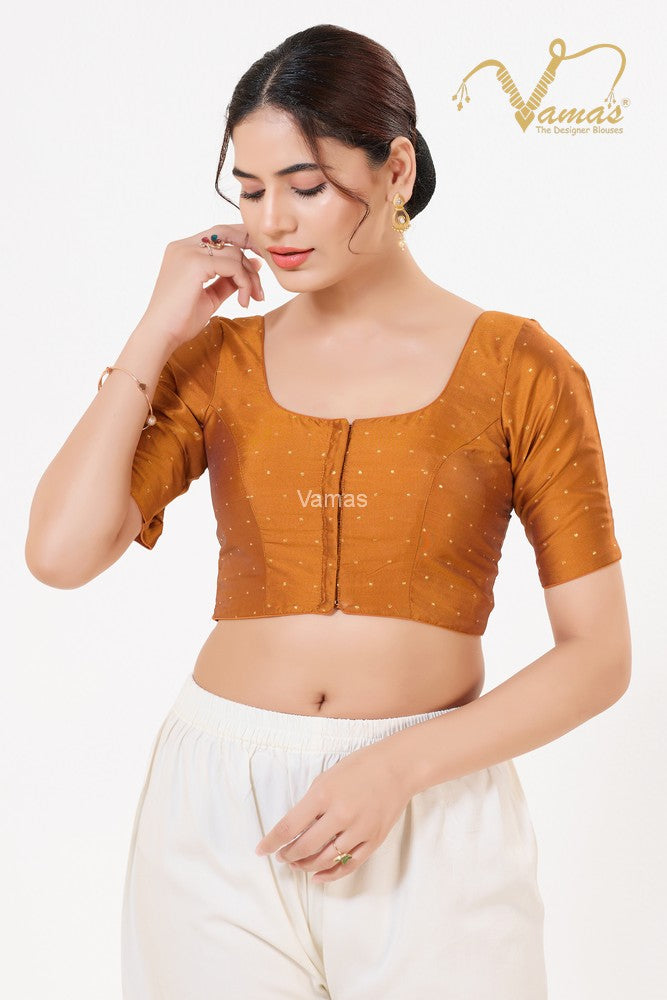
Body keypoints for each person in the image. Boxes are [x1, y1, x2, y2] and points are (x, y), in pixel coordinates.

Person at [25, 23, 631, 1000]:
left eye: (305, 185)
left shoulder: (520, 369)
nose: (273, 222)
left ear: (396, 168)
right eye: (248, 189)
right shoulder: (218, 363)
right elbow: (60, 552)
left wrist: (397, 768)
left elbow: (598, 655)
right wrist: (155, 328)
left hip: (431, 805)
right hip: (218, 814)